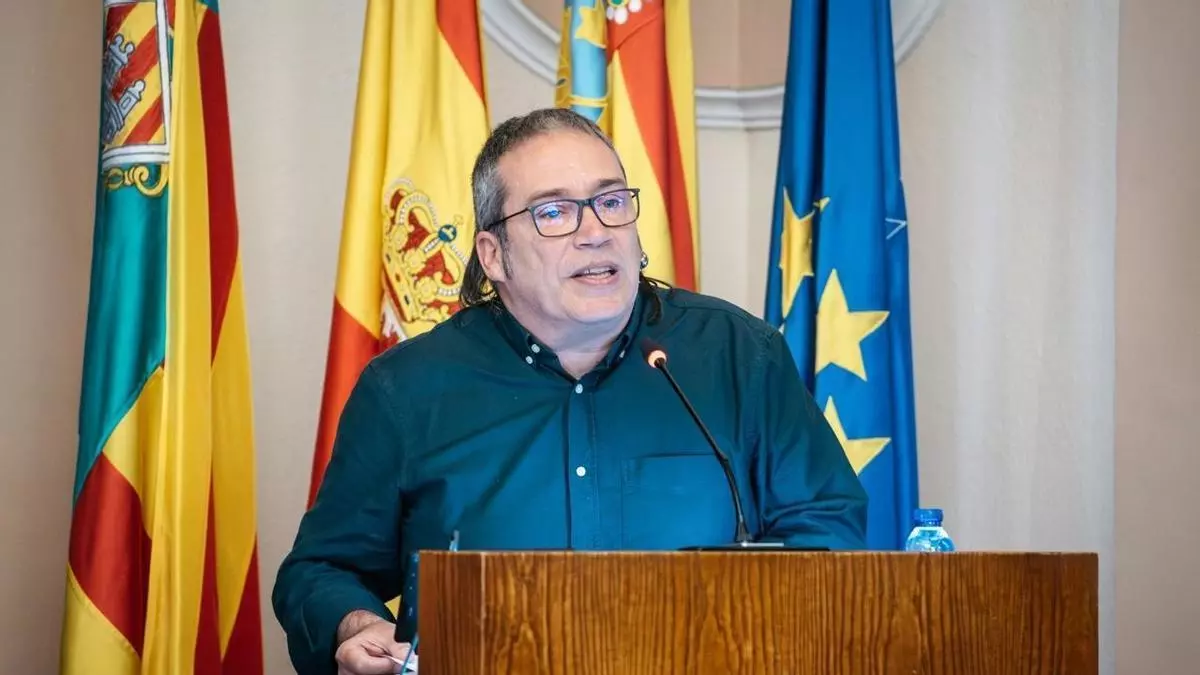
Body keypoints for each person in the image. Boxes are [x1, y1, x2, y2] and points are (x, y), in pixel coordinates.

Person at [272, 107, 867, 675]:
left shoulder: (738, 356)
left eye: (611, 202)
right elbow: (321, 570)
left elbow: (827, 527)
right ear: (493, 255)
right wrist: (357, 627)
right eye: (554, 212)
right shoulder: (407, 389)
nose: (596, 233)